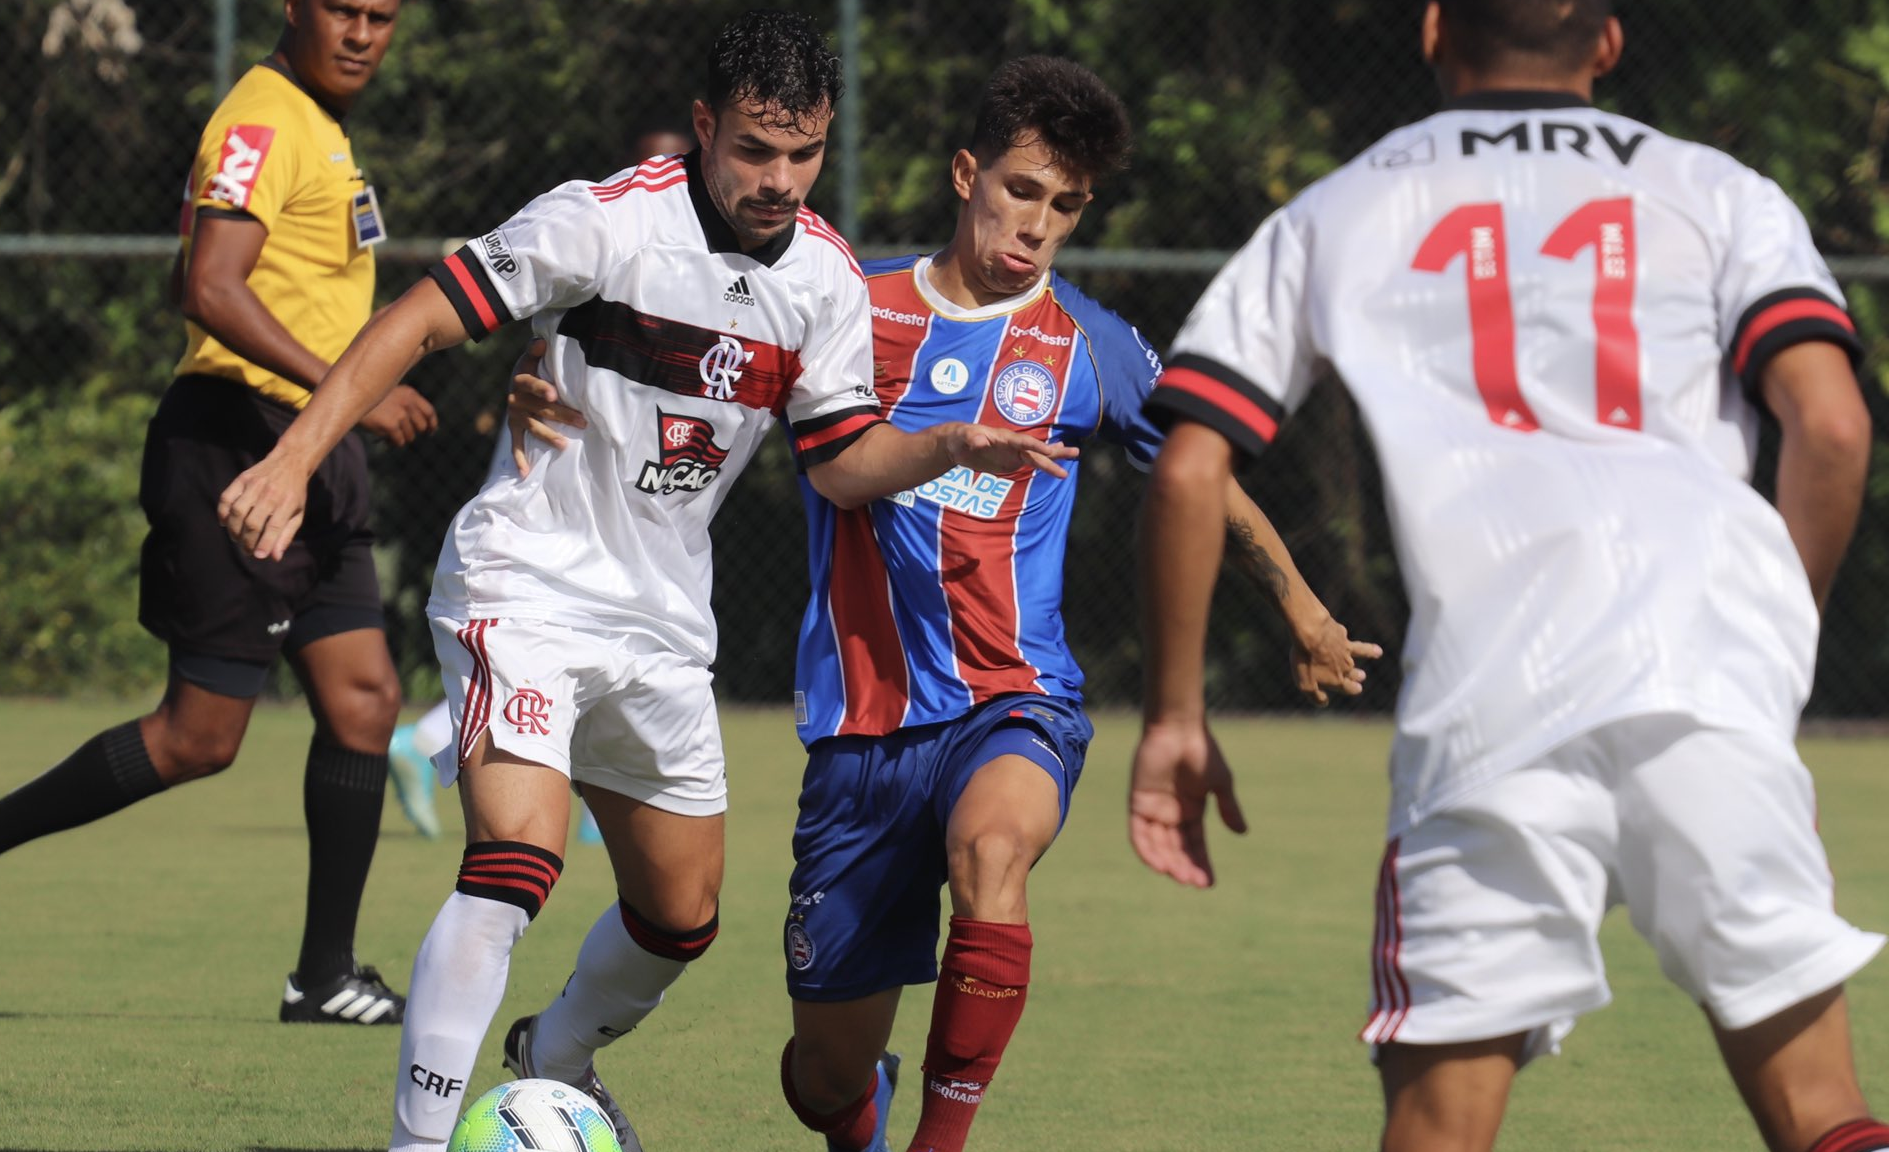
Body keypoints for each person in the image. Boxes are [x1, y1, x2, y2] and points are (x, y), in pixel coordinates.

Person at [213, 12, 1074, 1151]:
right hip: (526, 578)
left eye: (804, 153)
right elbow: (422, 317)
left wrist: (946, 447)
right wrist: (292, 456)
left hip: (661, 617)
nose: (778, 179)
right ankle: (417, 1144)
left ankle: (552, 1058)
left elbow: (843, 465)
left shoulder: (820, 277)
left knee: (681, 914)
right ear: (705, 128)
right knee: (516, 858)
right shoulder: (605, 221)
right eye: (755, 150)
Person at [506, 55, 1378, 1152]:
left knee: (992, 855)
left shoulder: (1085, 347)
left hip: (1014, 702)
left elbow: (1202, 473)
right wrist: (544, 374)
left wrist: (1298, 607)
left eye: (1062, 206)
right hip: (857, 738)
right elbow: (672, 341)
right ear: (966, 175)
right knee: (819, 1077)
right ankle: (856, 1103)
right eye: (1020, 189)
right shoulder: (841, 302)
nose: (1035, 224)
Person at [1130, 2, 1883, 1149]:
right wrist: (1772, 635)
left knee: (1440, 1124)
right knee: (1823, 1112)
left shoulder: (1342, 205)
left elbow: (1187, 471)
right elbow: (1828, 429)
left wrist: (1175, 715)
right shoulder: (1717, 190)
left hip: (1494, 699)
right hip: (1709, 678)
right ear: (1608, 43)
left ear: (1433, 32)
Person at [0, 0, 428, 1025]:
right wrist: (349, 385)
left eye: (381, 16)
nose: (361, 33)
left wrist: (339, 409)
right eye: (343, 11)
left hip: (313, 448)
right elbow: (208, 288)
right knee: (197, 736)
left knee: (362, 701)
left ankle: (324, 976)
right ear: (291, 10)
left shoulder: (320, 124)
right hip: (235, 440)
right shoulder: (259, 120)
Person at [385, 124, 703, 846]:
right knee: (558, 627)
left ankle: (553, 787)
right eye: (654, 164)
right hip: (551, 509)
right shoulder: (603, 240)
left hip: (608, 534)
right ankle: (436, 742)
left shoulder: (712, 280)